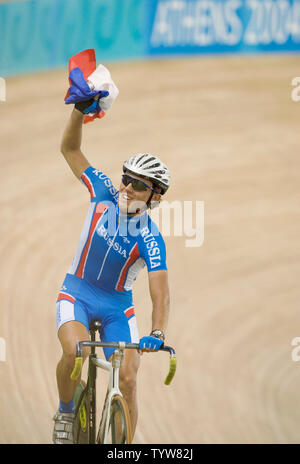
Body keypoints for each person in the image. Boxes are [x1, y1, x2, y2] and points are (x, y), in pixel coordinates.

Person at [52, 97, 171, 444]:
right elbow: (69, 148)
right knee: (76, 353)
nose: (127, 187)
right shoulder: (102, 192)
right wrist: (79, 110)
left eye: (138, 185)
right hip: (77, 292)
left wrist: (158, 332)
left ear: (155, 197)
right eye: (126, 178)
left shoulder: (151, 238)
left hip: (118, 307)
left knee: (130, 382)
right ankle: (65, 411)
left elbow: (160, 291)